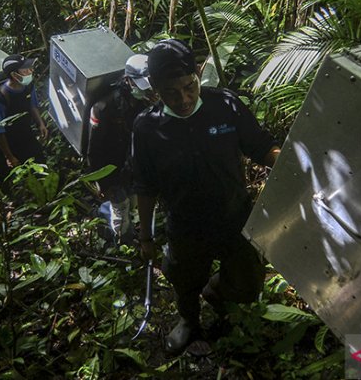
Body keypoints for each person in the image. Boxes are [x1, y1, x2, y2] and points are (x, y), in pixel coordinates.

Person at [132, 39, 280, 353]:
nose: (183, 99)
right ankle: (189, 321)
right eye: (171, 92)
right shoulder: (146, 128)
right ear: (155, 87)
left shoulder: (224, 105)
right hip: (186, 225)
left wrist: (295, 164)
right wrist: (145, 237)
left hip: (235, 218)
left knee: (248, 284)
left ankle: (217, 293)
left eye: (189, 87)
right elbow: (145, 186)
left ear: (198, 74)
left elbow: (262, 147)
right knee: (184, 281)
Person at [87, 54, 156, 245]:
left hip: (134, 166)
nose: (146, 90)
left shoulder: (146, 101)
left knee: (134, 203)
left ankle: (125, 230)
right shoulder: (104, 107)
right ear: (127, 81)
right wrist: (100, 182)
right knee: (121, 207)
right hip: (112, 167)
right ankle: (121, 243)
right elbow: (94, 149)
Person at [0, 54, 48, 187]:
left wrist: (40, 124)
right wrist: (9, 157)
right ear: (14, 75)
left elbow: (32, 105)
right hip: (4, 142)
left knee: (40, 164)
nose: (30, 71)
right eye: (25, 70)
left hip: (24, 134)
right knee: (8, 177)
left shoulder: (28, 86)